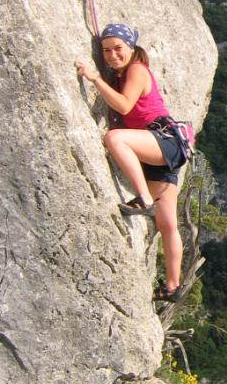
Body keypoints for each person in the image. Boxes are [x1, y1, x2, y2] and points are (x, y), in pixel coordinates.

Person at [75, 22, 185, 301]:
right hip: (156, 149)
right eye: (107, 51)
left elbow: (124, 105)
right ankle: (173, 286)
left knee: (114, 139)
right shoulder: (123, 74)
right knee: (167, 223)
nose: (112, 55)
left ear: (132, 48)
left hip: (162, 141)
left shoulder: (136, 70)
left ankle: (144, 199)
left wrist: (94, 78)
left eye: (118, 49)